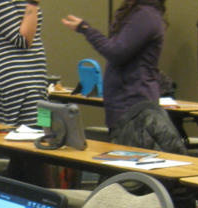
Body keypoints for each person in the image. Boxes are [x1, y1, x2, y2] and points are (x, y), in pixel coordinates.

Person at [62, 0, 166, 130]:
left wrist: (86, 30)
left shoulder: (145, 15)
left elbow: (116, 52)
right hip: (125, 102)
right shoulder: (139, 12)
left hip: (134, 104)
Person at [0, 0, 48, 127]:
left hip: (38, 82)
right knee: (33, 138)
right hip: (21, 85)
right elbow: (23, 40)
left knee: (46, 131)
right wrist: (33, 3)